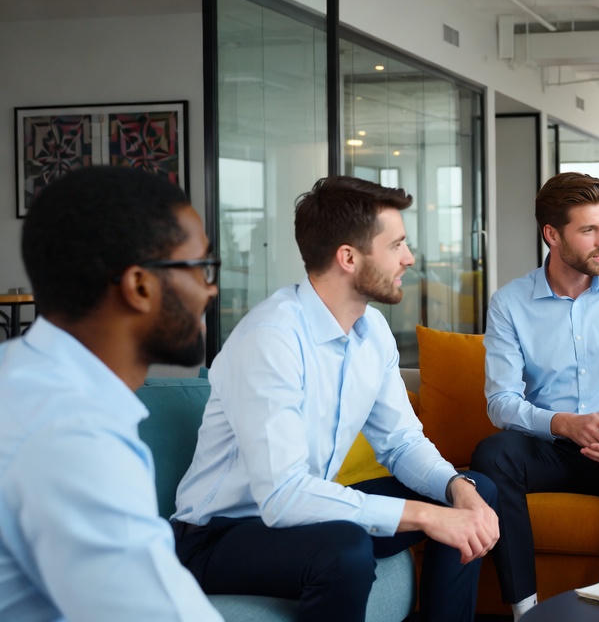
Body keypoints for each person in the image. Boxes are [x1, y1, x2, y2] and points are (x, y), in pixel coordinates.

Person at [171, 176, 499, 622]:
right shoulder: (273, 338)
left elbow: (401, 442)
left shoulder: (373, 332)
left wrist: (455, 488)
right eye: (396, 245)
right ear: (348, 257)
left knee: (473, 492)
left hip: (309, 513)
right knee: (345, 550)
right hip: (220, 535)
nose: (409, 258)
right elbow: (283, 497)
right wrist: (422, 517)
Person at [0, 166, 222, 620]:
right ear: (139, 286)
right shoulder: (71, 433)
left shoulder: (21, 376)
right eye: (200, 267)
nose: (212, 288)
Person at [470, 172, 599, 621]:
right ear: (552, 235)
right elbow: (501, 400)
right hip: (549, 447)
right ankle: (526, 610)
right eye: (589, 230)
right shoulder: (510, 303)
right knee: (491, 456)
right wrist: (562, 423)